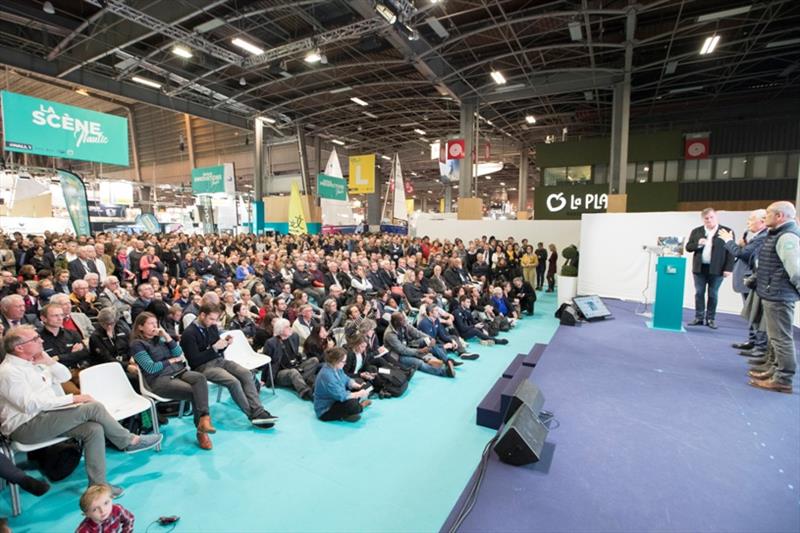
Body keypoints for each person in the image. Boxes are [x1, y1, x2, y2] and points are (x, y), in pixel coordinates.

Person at [0, 325, 162, 495]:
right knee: (93, 408)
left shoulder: (35, 360)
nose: (40, 340)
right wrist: (73, 398)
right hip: (25, 426)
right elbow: (30, 405)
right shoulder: (9, 372)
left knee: (93, 429)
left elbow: (65, 376)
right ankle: (129, 441)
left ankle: (98, 486)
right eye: (34, 339)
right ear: (19, 348)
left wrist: (48, 362)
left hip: (47, 417)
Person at [180, 304, 277, 428]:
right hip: (202, 367)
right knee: (233, 382)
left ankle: (258, 411)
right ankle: (252, 415)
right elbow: (194, 361)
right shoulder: (189, 334)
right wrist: (215, 348)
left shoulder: (212, 327)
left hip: (218, 361)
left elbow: (218, 349)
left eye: (216, 319)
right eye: (211, 319)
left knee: (246, 373)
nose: (214, 322)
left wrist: (225, 343)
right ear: (202, 315)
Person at [130, 312, 215, 450]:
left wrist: (166, 336)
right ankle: (202, 432)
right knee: (195, 391)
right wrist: (170, 361)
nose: (155, 326)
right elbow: (151, 368)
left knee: (200, 378)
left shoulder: (160, 338)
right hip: (159, 380)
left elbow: (178, 352)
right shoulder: (137, 345)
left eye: (156, 323)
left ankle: (204, 419)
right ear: (140, 327)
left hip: (179, 372)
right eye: (151, 323)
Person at [747, 201, 799, 394]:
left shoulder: (786, 237)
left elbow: (795, 269)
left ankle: (783, 379)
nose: (764, 217)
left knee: (781, 339)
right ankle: (774, 371)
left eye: (768, 213)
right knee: (775, 338)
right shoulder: (777, 234)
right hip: (774, 292)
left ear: (780, 216)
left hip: (779, 294)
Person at [718, 209, 768, 355]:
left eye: (751, 219)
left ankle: (759, 345)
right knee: (751, 313)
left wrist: (729, 241)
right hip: (748, 281)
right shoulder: (757, 237)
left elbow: (743, 255)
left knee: (755, 314)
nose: (748, 222)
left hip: (753, 281)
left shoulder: (762, 237)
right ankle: (753, 341)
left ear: (762, 221)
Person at [685, 207, 735, 329]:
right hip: (699, 268)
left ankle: (711, 319)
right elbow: (688, 247)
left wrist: (729, 268)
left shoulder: (726, 231)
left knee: (713, 294)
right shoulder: (696, 231)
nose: (709, 220)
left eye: (711, 217)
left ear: (716, 217)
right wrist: (698, 244)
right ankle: (699, 317)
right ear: (703, 219)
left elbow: (731, 251)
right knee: (699, 293)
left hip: (717, 269)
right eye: (706, 218)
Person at [383, 312, 455, 378]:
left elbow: (417, 333)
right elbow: (402, 350)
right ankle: (444, 372)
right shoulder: (390, 334)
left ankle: (448, 361)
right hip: (397, 355)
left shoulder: (404, 324)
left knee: (428, 341)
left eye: (404, 319)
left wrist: (430, 338)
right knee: (419, 363)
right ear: (396, 322)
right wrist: (419, 351)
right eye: (402, 320)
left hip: (408, 345)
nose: (404, 321)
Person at [263, 318, 318, 400]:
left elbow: (296, 354)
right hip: (280, 372)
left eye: (290, 326)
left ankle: (297, 381)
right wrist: (263, 379)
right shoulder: (271, 343)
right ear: (280, 330)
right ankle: (306, 392)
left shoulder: (294, 336)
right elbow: (266, 361)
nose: (290, 328)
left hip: (295, 365)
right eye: (287, 327)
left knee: (314, 360)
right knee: (293, 372)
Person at [313, 347, 371, 422]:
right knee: (352, 404)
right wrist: (359, 394)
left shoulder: (336, 368)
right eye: (343, 362)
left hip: (335, 399)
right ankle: (360, 407)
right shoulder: (327, 376)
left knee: (359, 384)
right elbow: (341, 396)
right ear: (336, 361)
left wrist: (357, 386)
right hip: (325, 410)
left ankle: (345, 414)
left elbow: (346, 379)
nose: (345, 364)